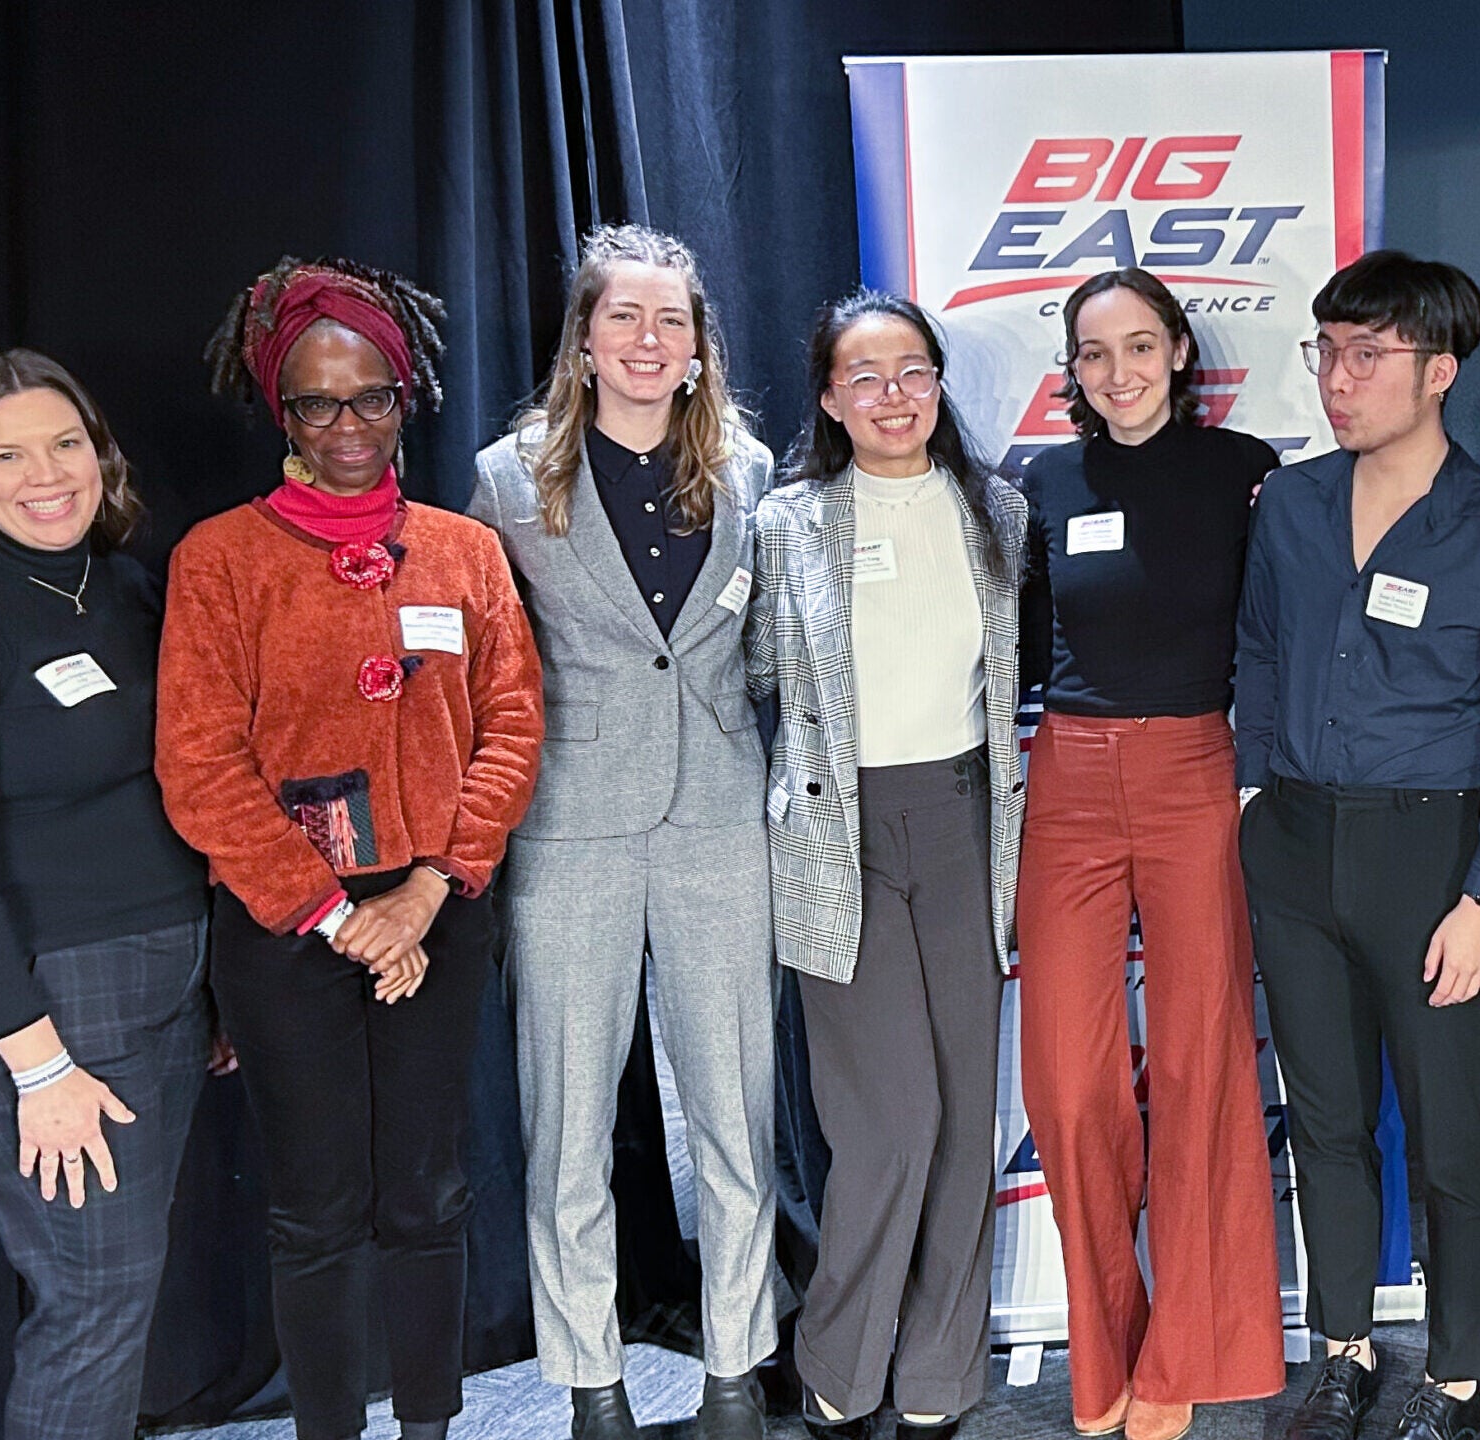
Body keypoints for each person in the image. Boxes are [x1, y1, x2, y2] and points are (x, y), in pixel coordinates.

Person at [158, 258, 543, 1440]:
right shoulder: (219, 561)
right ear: (283, 410)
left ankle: (428, 1422)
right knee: (316, 1208)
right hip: (289, 933)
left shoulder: (464, 552)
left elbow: (514, 721)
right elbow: (200, 766)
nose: (348, 426)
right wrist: (336, 916)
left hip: (438, 912)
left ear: (404, 397)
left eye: (370, 396)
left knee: (427, 1192)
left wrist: (428, 890)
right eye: (319, 402)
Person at [1239, 250, 1480, 1440]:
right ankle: (1341, 1349)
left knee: (1450, 1132)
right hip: (1292, 844)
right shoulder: (1293, 505)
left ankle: (1461, 1375)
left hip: (1431, 860)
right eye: (1325, 351)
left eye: (1364, 355)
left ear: (1437, 371)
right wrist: (1246, 799)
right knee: (1323, 1122)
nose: (1337, 378)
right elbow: (1262, 655)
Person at [0, 352, 215, 1440]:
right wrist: (41, 1063)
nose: (44, 475)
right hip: (31, 1005)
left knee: (121, 1284)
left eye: (64, 443)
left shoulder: (129, 590)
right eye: (5, 455)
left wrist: (211, 994)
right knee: (94, 1295)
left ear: (101, 456)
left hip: (158, 987)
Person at [468, 224, 778, 1440]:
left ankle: (736, 1369)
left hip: (717, 817)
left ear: (699, 349)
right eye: (624, 320)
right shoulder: (507, 476)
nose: (649, 342)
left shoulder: (751, 472)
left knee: (736, 1117)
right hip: (570, 828)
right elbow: (487, 669)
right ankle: (591, 1380)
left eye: (672, 322)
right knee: (568, 1123)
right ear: (584, 342)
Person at [745, 291, 1027, 1440]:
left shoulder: (995, 511)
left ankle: (939, 1382)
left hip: (964, 824)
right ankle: (838, 1368)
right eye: (864, 377)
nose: (892, 396)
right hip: (838, 833)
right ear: (828, 398)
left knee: (963, 1123)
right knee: (889, 1120)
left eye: (911, 371)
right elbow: (756, 672)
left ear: (938, 382)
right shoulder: (785, 523)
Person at [1015, 267, 1286, 1440]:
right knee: (1070, 1088)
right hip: (1068, 778)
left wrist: (1254, 773)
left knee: (1199, 1067)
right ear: (1070, 370)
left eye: (1138, 346)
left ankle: (1186, 1353)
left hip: (1195, 773)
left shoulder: (1244, 473)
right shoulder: (1045, 479)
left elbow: (1275, 632)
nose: (1116, 372)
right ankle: (1106, 1345)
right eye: (1092, 353)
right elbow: (1022, 640)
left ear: (1178, 351)